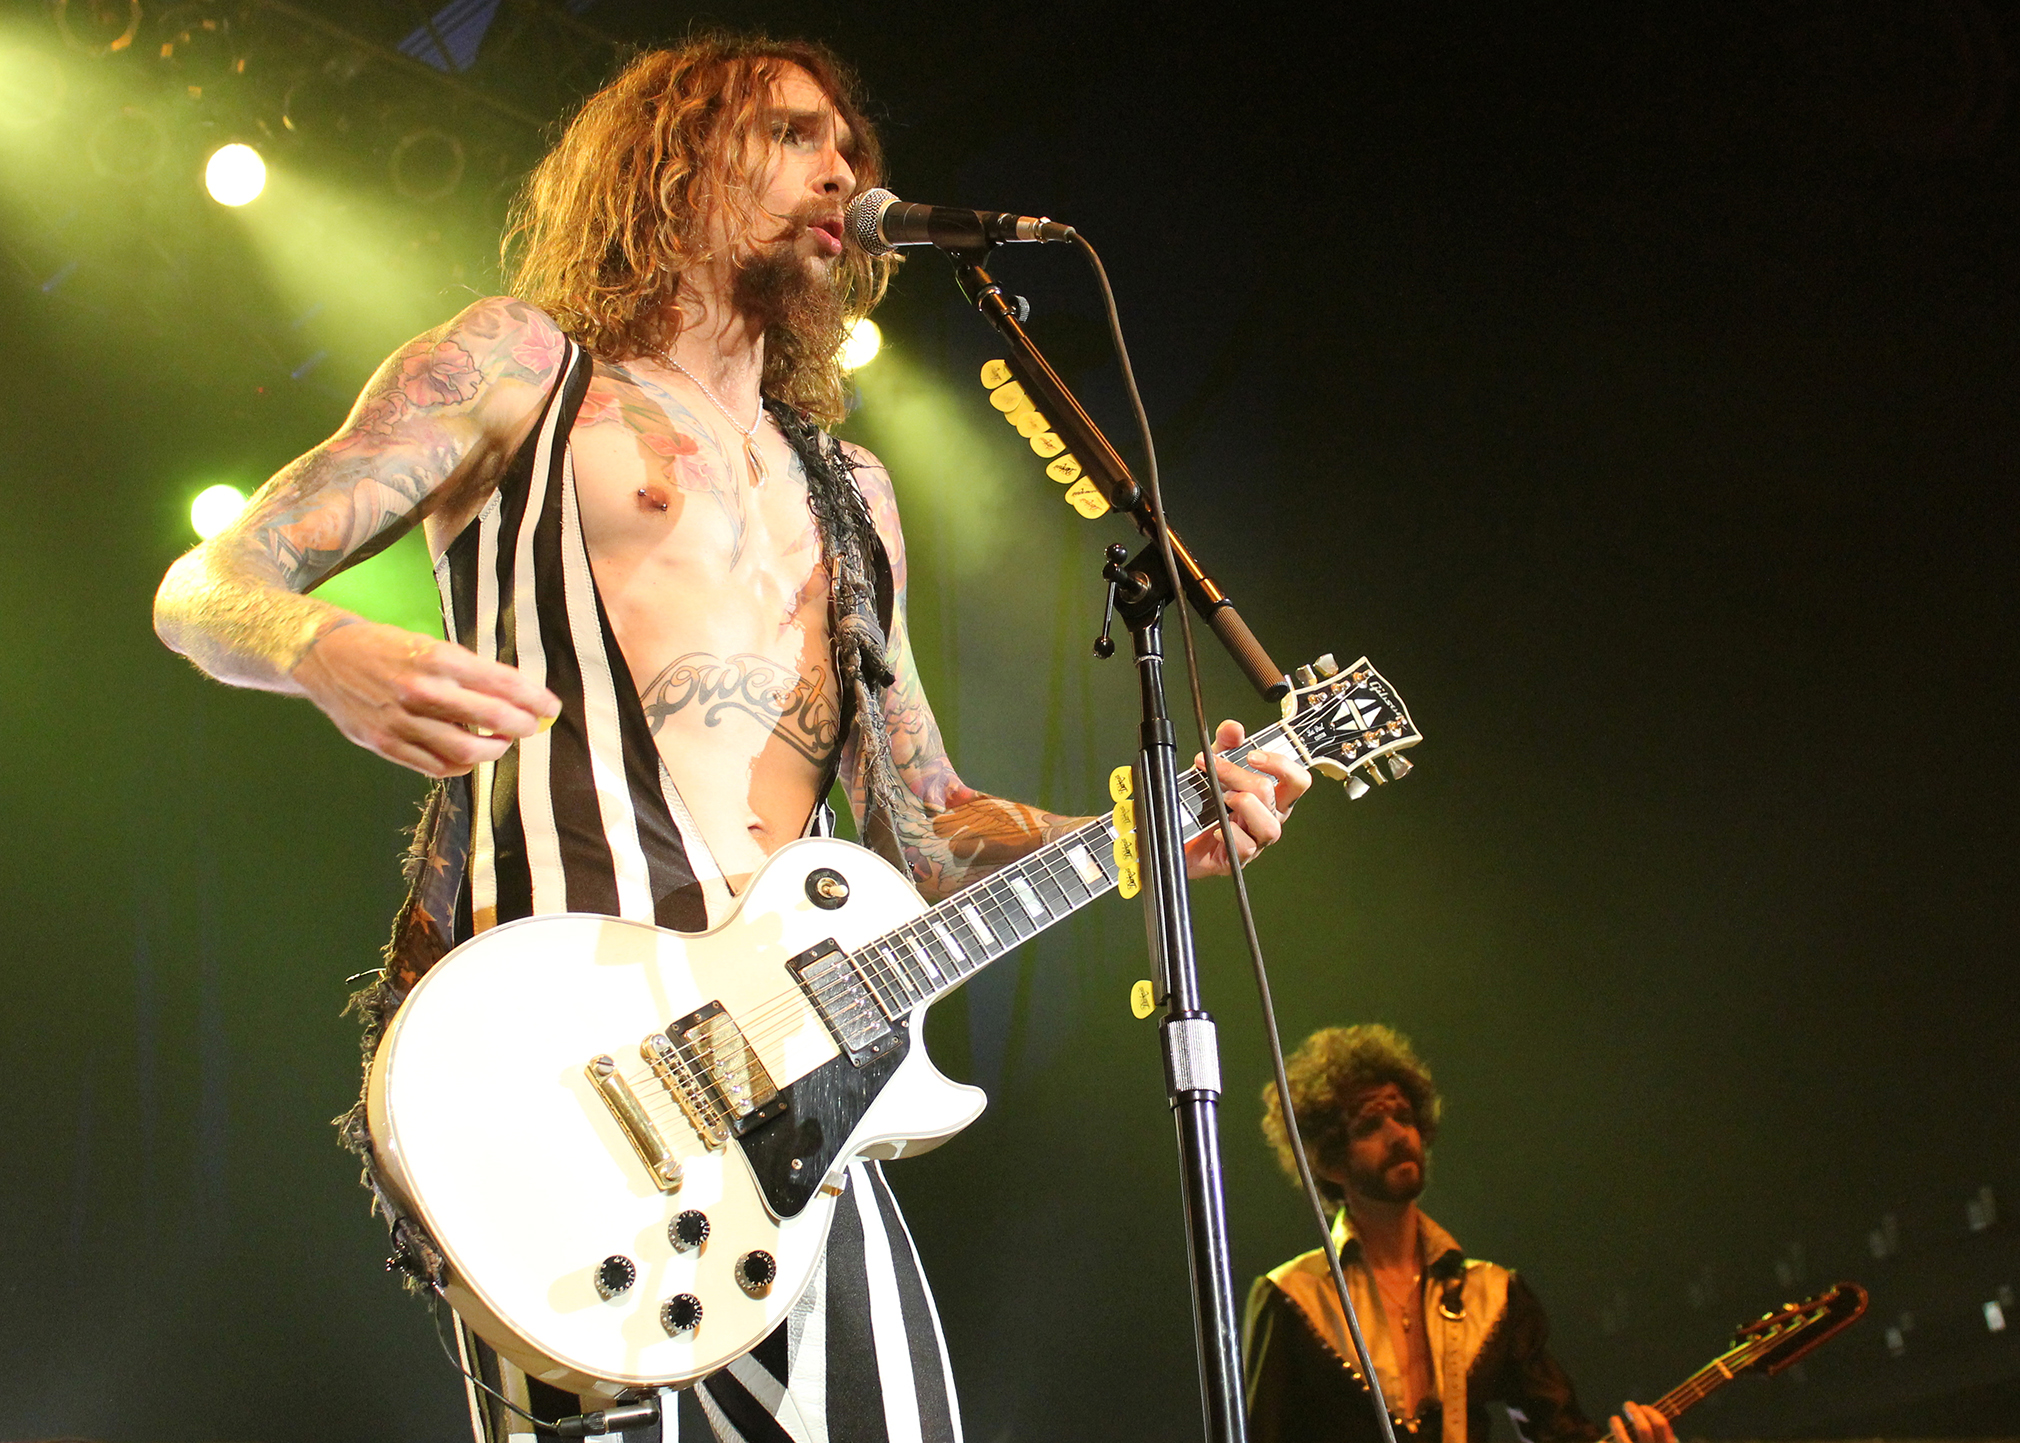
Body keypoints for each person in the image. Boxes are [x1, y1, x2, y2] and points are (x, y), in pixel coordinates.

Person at [153, 31, 1309, 1443]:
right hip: (564, 1073)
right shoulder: (520, 369)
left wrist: (1143, 834)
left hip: (796, 1097)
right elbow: (205, 586)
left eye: (849, 146)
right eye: (792, 135)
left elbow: (929, 824)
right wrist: (320, 647)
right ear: (673, 161)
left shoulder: (852, 486)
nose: (841, 171)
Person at [1245, 1026, 1675, 1443]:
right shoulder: (1293, 1298)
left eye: (1405, 1117)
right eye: (1370, 1125)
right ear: (1328, 1162)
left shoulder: (1494, 1295)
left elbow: (1561, 1432)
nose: (1398, 1135)